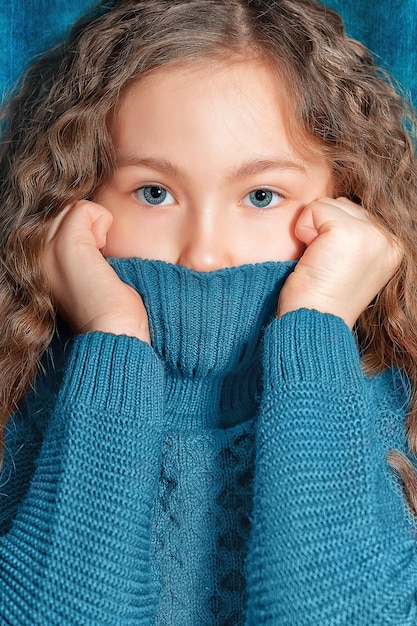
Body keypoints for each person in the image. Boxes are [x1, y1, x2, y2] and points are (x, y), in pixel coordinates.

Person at [1, 0, 417, 623]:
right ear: (77, 198)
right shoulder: (18, 390)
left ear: (347, 201)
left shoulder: (395, 404)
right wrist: (111, 345)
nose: (204, 253)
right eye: (154, 192)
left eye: (260, 195)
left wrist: (315, 336)